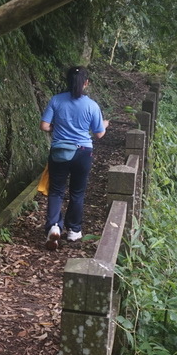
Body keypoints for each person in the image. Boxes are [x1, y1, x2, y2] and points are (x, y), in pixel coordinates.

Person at [40, 66, 108, 250]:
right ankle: (73, 230)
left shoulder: (56, 100)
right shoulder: (92, 105)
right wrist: (104, 125)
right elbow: (99, 134)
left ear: (68, 81)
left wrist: (58, 128)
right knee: (77, 192)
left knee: (56, 191)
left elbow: (45, 126)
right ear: (86, 83)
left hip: (60, 152)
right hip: (83, 152)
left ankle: (54, 226)